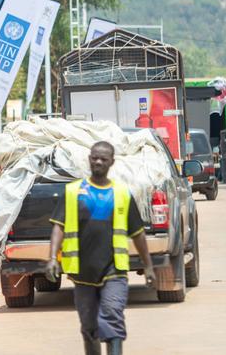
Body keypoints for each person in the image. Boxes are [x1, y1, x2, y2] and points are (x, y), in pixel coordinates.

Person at [45, 142, 156, 355]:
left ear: (111, 162)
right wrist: (52, 258)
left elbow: (138, 233)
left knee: (112, 317)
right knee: (89, 328)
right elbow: (58, 227)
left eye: (103, 159)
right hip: (82, 273)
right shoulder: (73, 191)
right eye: (95, 157)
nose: (98, 161)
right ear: (89, 158)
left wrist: (148, 266)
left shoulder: (122, 193)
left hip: (114, 271)